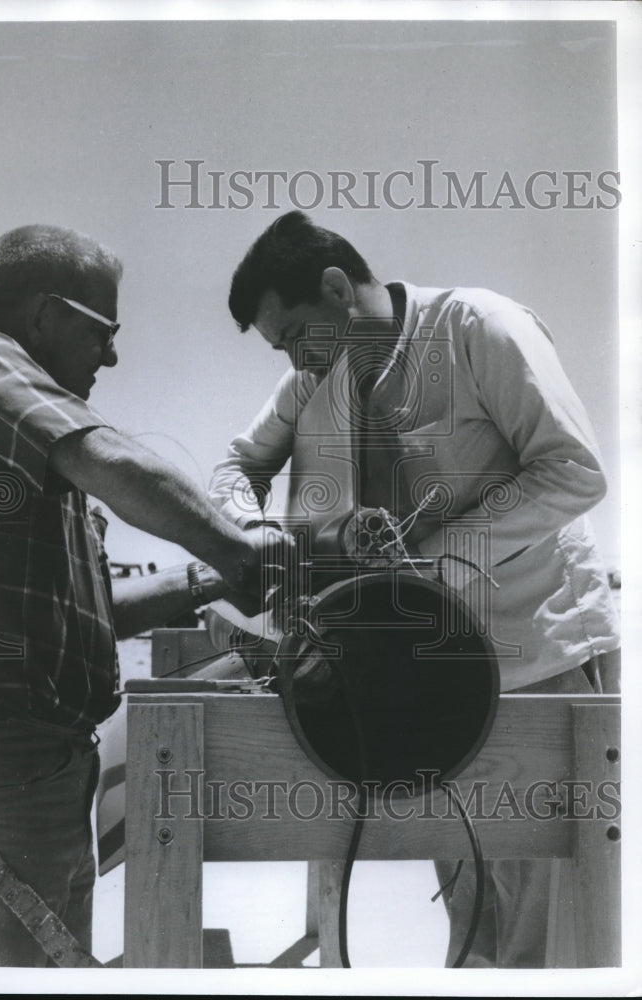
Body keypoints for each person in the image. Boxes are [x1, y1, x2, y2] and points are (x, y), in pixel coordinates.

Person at [208, 210, 621, 968]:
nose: (296, 359)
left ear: (336, 287)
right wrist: (253, 533)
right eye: (284, 348)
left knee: (548, 931)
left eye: (298, 333)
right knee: (472, 917)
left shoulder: (481, 327)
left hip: (532, 658)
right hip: (423, 677)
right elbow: (237, 468)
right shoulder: (310, 376)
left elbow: (573, 470)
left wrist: (432, 557)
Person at [0, 223, 292, 967]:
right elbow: (109, 456)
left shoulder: (36, 461)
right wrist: (241, 551)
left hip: (31, 769)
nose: (111, 353)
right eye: (104, 330)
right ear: (44, 315)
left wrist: (211, 579)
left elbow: (93, 609)